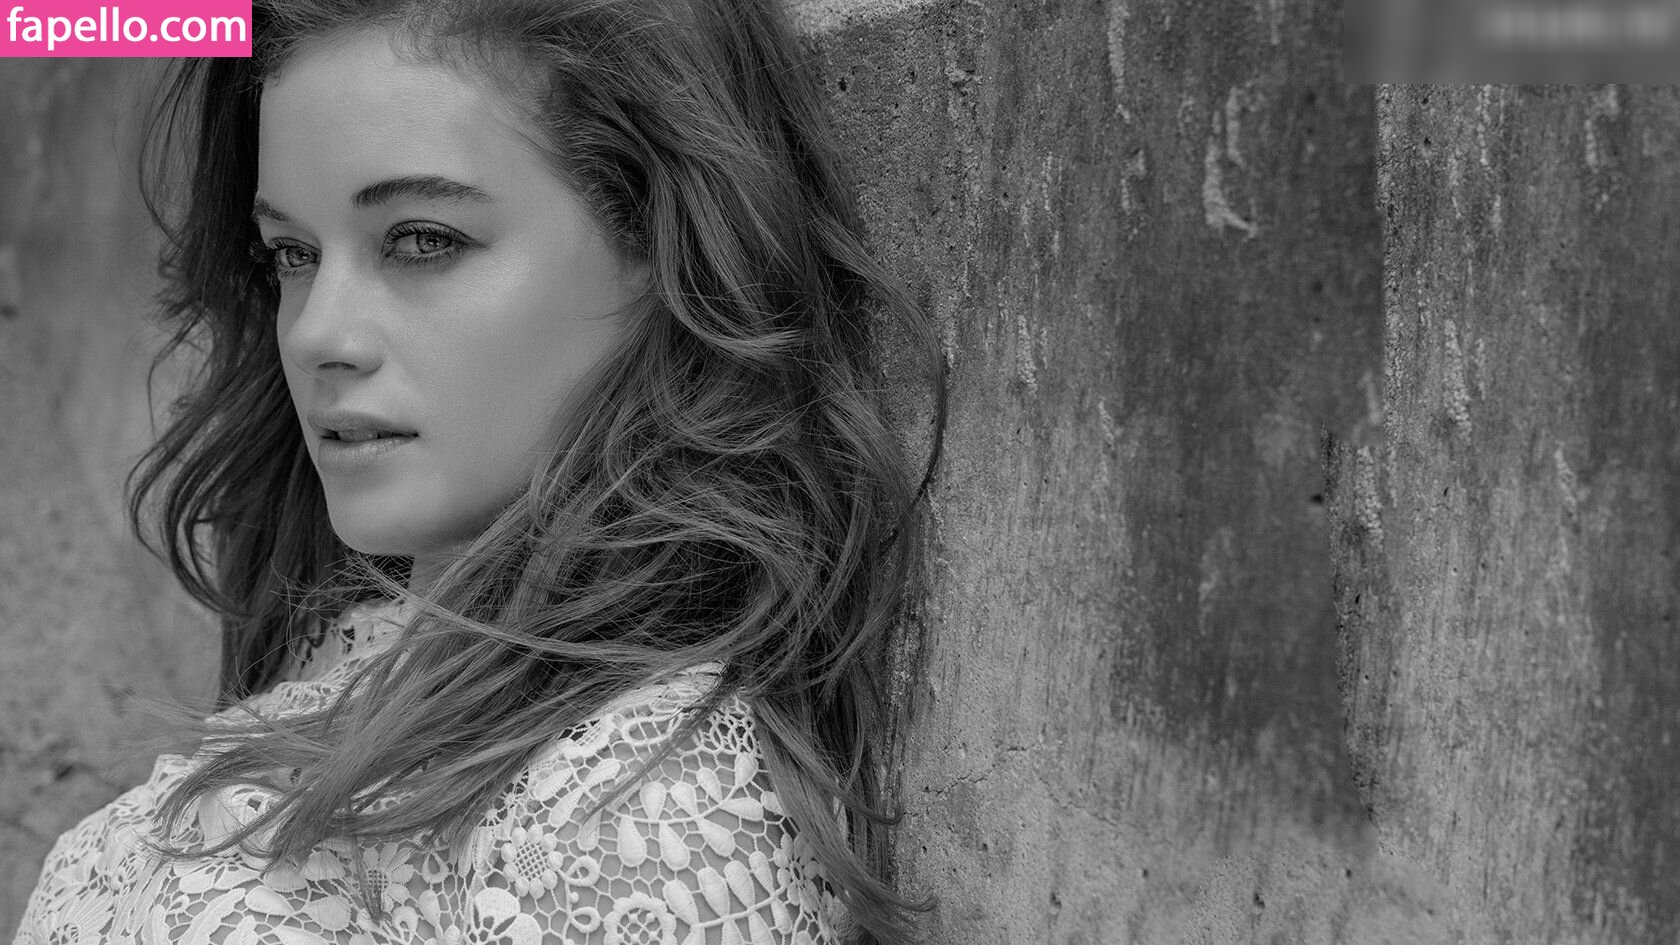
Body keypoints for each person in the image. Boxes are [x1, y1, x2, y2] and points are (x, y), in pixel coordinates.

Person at [12, 0, 944, 941]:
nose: (317, 332)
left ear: (663, 253)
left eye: (423, 239)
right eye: (291, 253)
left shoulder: (642, 823)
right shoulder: (354, 643)